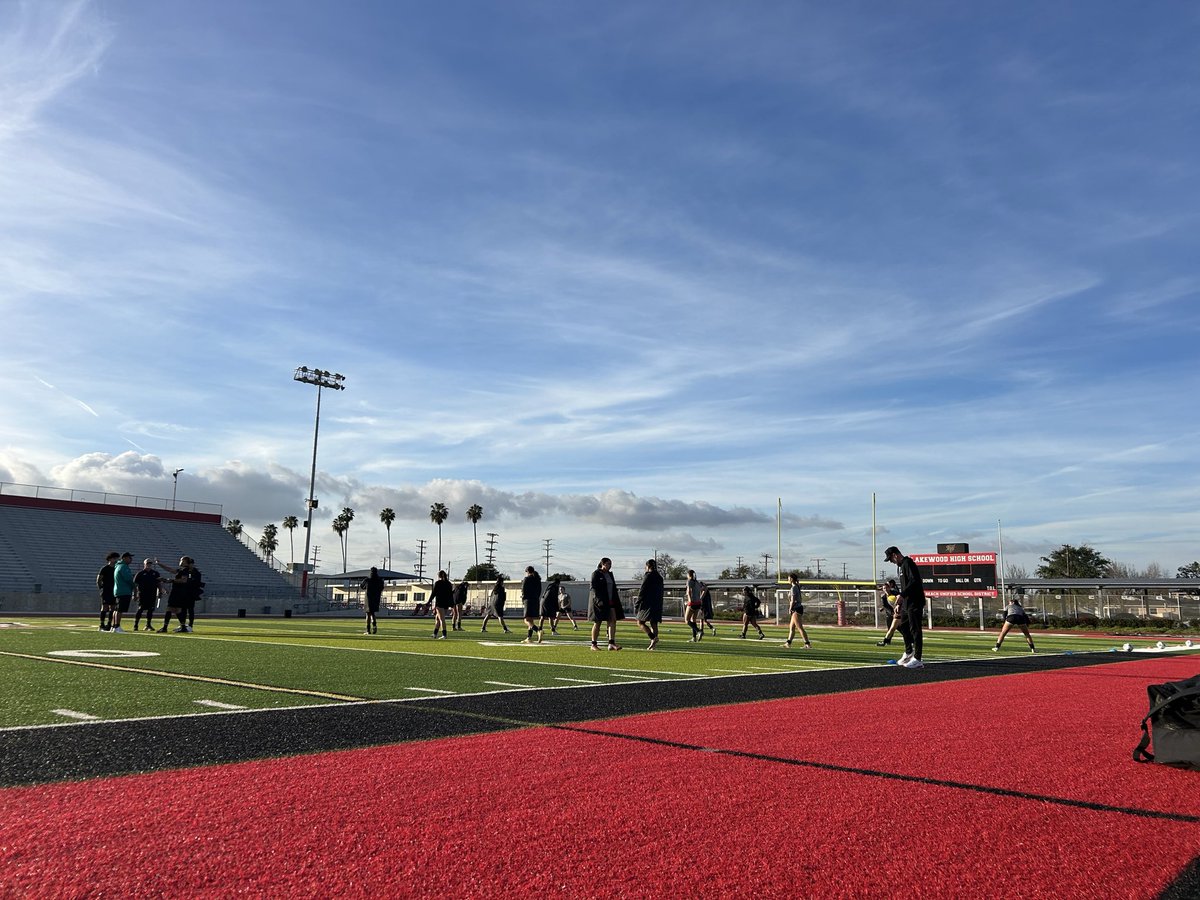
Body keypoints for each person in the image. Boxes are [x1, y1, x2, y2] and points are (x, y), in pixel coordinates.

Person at [885, 546, 926, 669]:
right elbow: (905, 586)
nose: (891, 562)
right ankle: (909, 652)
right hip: (907, 603)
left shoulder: (908, 563)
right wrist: (900, 603)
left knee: (915, 629)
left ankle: (918, 659)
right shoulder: (901, 567)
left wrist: (902, 595)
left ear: (895, 555)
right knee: (901, 624)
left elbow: (914, 582)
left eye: (891, 559)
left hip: (915, 602)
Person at [158, 556, 202, 633]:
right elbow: (171, 570)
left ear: (185, 562)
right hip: (179, 591)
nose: (180, 561)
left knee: (170, 608)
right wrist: (160, 564)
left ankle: (165, 627)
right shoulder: (182, 569)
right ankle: (182, 627)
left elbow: (184, 580)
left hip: (178, 592)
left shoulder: (185, 570)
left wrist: (170, 580)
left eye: (182, 560)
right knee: (176, 610)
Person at [588, 557, 624, 651]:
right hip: (599, 602)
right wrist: (598, 600)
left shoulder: (610, 574)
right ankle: (593, 644)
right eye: (608, 564)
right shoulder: (596, 574)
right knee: (598, 623)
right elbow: (593, 588)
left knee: (613, 620)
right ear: (602, 564)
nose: (610, 566)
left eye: (610, 564)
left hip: (610, 601)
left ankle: (611, 643)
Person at [634, 558, 664, 649]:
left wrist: (637, 603)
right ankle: (653, 645)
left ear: (647, 566)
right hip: (657, 603)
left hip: (648, 603)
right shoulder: (659, 577)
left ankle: (653, 638)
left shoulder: (648, 576)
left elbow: (642, 590)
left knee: (640, 622)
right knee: (654, 623)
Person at [132, 558, 162, 632]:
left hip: (152, 594)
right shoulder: (140, 573)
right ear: (144, 564)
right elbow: (135, 585)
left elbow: (159, 583)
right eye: (147, 563)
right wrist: (134, 594)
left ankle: (148, 625)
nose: (149, 564)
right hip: (142, 594)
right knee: (140, 609)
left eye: (150, 563)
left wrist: (160, 591)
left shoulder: (155, 573)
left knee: (150, 610)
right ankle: (136, 625)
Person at [784, 572, 811, 649]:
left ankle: (807, 644)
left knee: (799, 627)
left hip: (796, 608)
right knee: (791, 627)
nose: (787, 580)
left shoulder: (793, 588)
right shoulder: (796, 586)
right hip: (797, 608)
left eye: (788, 578)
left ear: (791, 579)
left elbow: (793, 600)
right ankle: (788, 643)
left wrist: (790, 608)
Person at [875, 579, 901, 647]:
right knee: (891, 628)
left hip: (900, 613)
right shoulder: (884, 597)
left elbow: (899, 596)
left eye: (886, 587)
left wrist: (897, 603)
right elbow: (886, 606)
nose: (885, 589)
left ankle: (911, 641)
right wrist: (891, 612)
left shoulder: (894, 592)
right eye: (884, 588)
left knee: (902, 628)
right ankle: (886, 641)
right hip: (892, 614)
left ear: (889, 587)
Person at [96, 552, 118, 632]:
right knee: (105, 606)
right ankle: (102, 624)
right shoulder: (105, 568)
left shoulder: (116, 568)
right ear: (110, 559)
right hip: (106, 590)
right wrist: (101, 587)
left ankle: (109, 623)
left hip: (114, 590)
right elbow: (99, 579)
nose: (116, 560)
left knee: (112, 607)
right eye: (114, 558)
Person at [521, 566, 543, 643]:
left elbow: (523, 590)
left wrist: (523, 599)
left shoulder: (526, 579)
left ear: (527, 571)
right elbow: (540, 591)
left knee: (526, 620)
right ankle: (529, 637)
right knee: (531, 620)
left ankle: (538, 631)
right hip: (536, 600)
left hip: (528, 600)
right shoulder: (537, 580)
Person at [430, 570, 454, 639]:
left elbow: (433, 594)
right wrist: (451, 604)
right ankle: (435, 633)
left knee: (441, 619)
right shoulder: (449, 584)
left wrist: (429, 602)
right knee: (437, 618)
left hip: (440, 603)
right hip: (446, 603)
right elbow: (450, 595)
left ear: (439, 576)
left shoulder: (438, 583)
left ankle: (444, 634)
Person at [361, 566, 384, 634]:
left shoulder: (367, 580)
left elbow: (362, 586)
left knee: (368, 614)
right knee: (373, 613)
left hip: (368, 598)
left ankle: (368, 630)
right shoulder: (380, 580)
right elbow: (382, 588)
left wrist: (366, 588)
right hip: (376, 598)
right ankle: (374, 626)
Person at [684, 570, 704, 642]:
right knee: (693, 620)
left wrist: (689, 600)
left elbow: (689, 591)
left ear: (689, 575)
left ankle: (699, 631)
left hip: (692, 602)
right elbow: (703, 589)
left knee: (687, 620)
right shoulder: (697, 582)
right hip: (698, 602)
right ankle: (694, 637)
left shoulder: (689, 581)